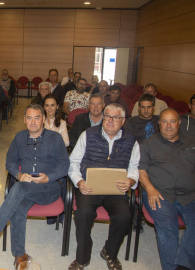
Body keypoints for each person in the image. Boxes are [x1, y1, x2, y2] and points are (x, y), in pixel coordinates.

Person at [0, 104, 69, 270]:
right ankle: (20, 256)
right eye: (29, 118)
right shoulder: (19, 138)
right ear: (24, 120)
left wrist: (49, 177)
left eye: (37, 117)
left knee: (18, 189)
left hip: (49, 187)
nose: (33, 122)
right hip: (26, 185)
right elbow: (10, 162)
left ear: (43, 119)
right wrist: (19, 175)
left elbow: (64, 165)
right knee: (18, 206)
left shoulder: (55, 138)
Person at [68, 103, 140, 270]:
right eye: (107, 116)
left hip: (116, 190)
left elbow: (134, 166)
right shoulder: (88, 135)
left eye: (116, 117)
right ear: (102, 117)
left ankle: (109, 252)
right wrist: (79, 182)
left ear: (123, 121)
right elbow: (73, 162)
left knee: (124, 217)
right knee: (83, 213)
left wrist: (130, 181)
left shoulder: (131, 141)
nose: (110, 120)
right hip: (89, 187)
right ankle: (82, 257)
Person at [139, 108, 195, 270]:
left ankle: (184, 265)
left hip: (190, 195)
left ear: (179, 123)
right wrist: (150, 189)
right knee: (168, 228)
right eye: (164, 121)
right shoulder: (148, 144)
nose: (168, 125)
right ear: (159, 124)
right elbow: (141, 171)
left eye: (172, 121)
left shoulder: (192, 142)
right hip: (159, 194)